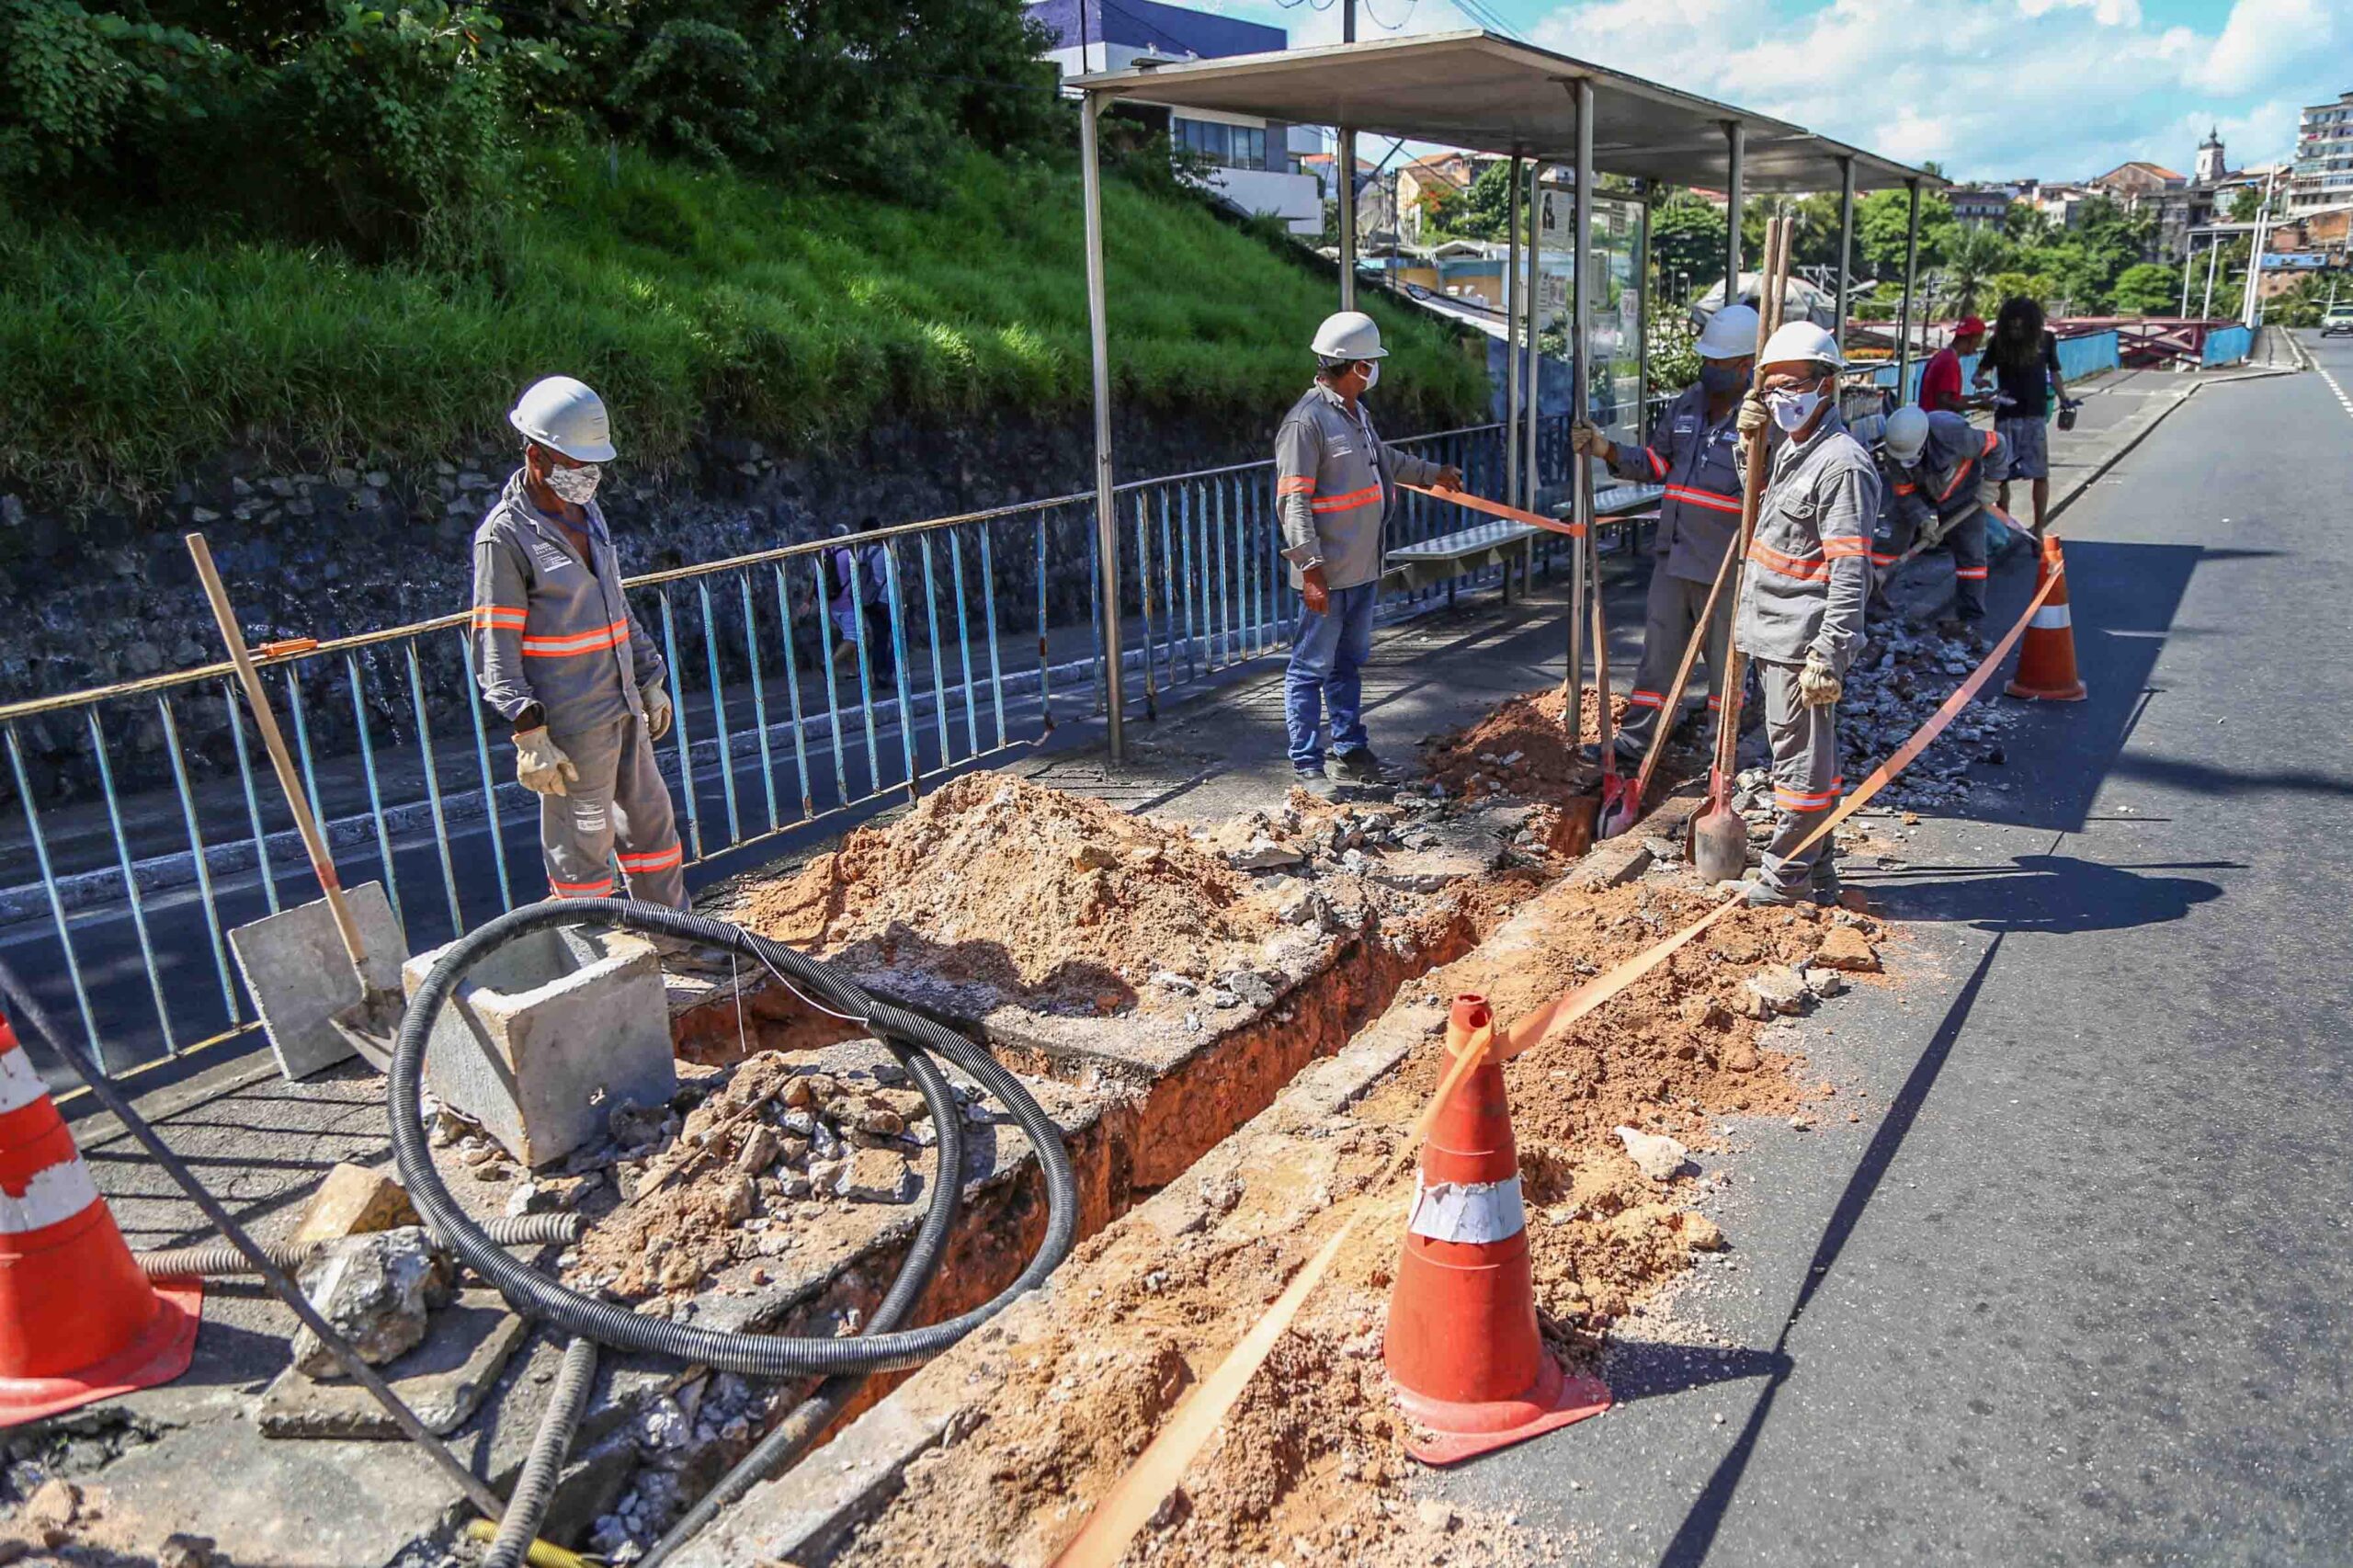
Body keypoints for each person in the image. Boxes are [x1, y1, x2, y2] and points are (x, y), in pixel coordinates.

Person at [471, 375, 686, 909]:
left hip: (623, 704)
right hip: (571, 721)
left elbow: (616, 605)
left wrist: (649, 677)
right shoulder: (505, 536)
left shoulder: (589, 515)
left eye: (592, 468)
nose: (586, 479)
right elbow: (495, 643)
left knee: (651, 827)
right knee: (583, 844)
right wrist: (529, 733)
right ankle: (595, 951)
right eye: (573, 467)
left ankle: (675, 933)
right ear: (536, 457)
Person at [1274, 311, 1462, 797]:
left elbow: (1387, 462)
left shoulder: (1357, 414)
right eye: (1367, 363)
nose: (1373, 370)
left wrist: (1431, 473)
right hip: (1327, 573)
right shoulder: (1306, 422)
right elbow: (1293, 500)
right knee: (1310, 667)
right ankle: (1307, 765)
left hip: (1361, 569)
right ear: (1349, 365)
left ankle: (1350, 749)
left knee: (1347, 663)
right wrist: (1310, 567)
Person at [1568, 303, 1761, 765]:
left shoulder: (1761, 419)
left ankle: (1724, 757)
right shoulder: (1688, 403)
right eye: (1708, 361)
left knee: (1725, 668)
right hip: (1674, 557)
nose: (1709, 370)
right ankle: (1637, 742)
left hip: (1727, 567)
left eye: (1719, 364)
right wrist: (1607, 449)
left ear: (1745, 366)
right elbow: (1658, 463)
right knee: (1658, 659)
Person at [1729, 322, 1880, 907]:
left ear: (1828, 385)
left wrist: (1830, 652)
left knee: (1800, 765)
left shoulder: (1842, 465)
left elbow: (1849, 570)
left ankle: (1784, 878)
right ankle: (1818, 873)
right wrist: (1751, 451)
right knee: (1811, 759)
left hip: (1801, 640)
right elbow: (1763, 517)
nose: (1783, 398)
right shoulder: (1793, 450)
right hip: (1770, 628)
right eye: (1772, 388)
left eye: (1795, 385)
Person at [1874, 406, 2012, 626]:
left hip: (1964, 493)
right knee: (1891, 542)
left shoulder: (1953, 434)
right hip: (1923, 493)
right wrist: (1924, 519)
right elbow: (1904, 494)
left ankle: (1970, 618)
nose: (1907, 462)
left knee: (1971, 555)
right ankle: (1875, 603)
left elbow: (1998, 444)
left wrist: (1992, 483)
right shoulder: (1895, 453)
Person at [1972, 296, 2066, 535]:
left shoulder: (2047, 340)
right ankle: (2007, 526)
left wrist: (2064, 398)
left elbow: (2054, 372)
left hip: (2034, 415)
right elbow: (1979, 373)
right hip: (2006, 415)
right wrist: (1982, 383)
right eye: (2011, 325)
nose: (2015, 330)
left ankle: (2038, 529)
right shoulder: (1998, 343)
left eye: (2019, 326)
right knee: (2001, 476)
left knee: (2040, 473)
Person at [825, 517, 895, 682]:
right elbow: (895, 575)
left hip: (866, 602)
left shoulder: (859, 554)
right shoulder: (883, 552)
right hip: (884, 600)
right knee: (900, 635)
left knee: (878, 638)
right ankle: (890, 671)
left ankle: (875, 674)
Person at [1915, 315, 1985, 415]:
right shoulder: (1950, 362)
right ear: (1972, 339)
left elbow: (1950, 398)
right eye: (1979, 340)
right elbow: (1944, 403)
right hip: (1937, 423)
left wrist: (1976, 397)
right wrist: (1979, 405)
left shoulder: (1942, 355)